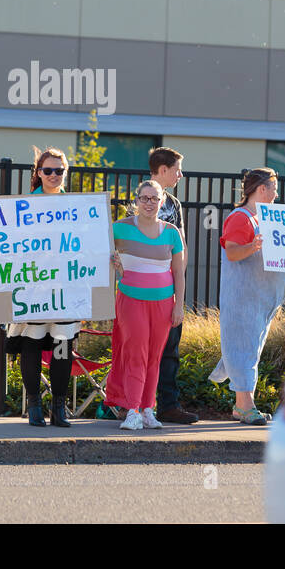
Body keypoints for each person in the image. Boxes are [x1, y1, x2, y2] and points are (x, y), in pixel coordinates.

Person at [0, 147, 114, 428]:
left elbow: (90, 246)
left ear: (66, 173)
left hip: (66, 291)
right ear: (38, 173)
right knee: (31, 345)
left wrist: (108, 259)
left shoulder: (79, 209)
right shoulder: (23, 207)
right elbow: (8, 247)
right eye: (48, 170)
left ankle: (58, 407)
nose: (53, 175)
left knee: (62, 349)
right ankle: (34, 406)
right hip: (32, 291)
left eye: (59, 170)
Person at [208, 167, 285, 426]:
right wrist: (252, 246)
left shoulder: (262, 218)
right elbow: (232, 252)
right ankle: (245, 406)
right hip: (243, 300)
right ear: (262, 189)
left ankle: (242, 405)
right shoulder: (241, 218)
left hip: (259, 301)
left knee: (249, 351)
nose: (276, 194)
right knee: (243, 350)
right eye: (274, 188)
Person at [107, 180, 186, 431]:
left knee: (154, 357)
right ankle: (132, 410)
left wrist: (179, 306)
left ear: (162, 202)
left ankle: (148, 409)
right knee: (135, 354)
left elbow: (179, 273)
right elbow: (97, 252)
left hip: (163, 303)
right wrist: (114, 264)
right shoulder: (118, 229)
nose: (149, 203)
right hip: (131, 300)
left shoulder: (173, 232)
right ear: (136, 201)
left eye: (154, 198)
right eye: (145, 198)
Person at [148, 147, 198, 425]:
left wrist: (180, 283)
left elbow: (180, 246)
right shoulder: (142, 198)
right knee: (142, 348)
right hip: (142, 286)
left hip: (168, 284)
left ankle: (168, 405)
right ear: (163, 170)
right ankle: (135, 404)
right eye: (177, 169)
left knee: (170, 348)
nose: (180, 174)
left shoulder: (174, 204)